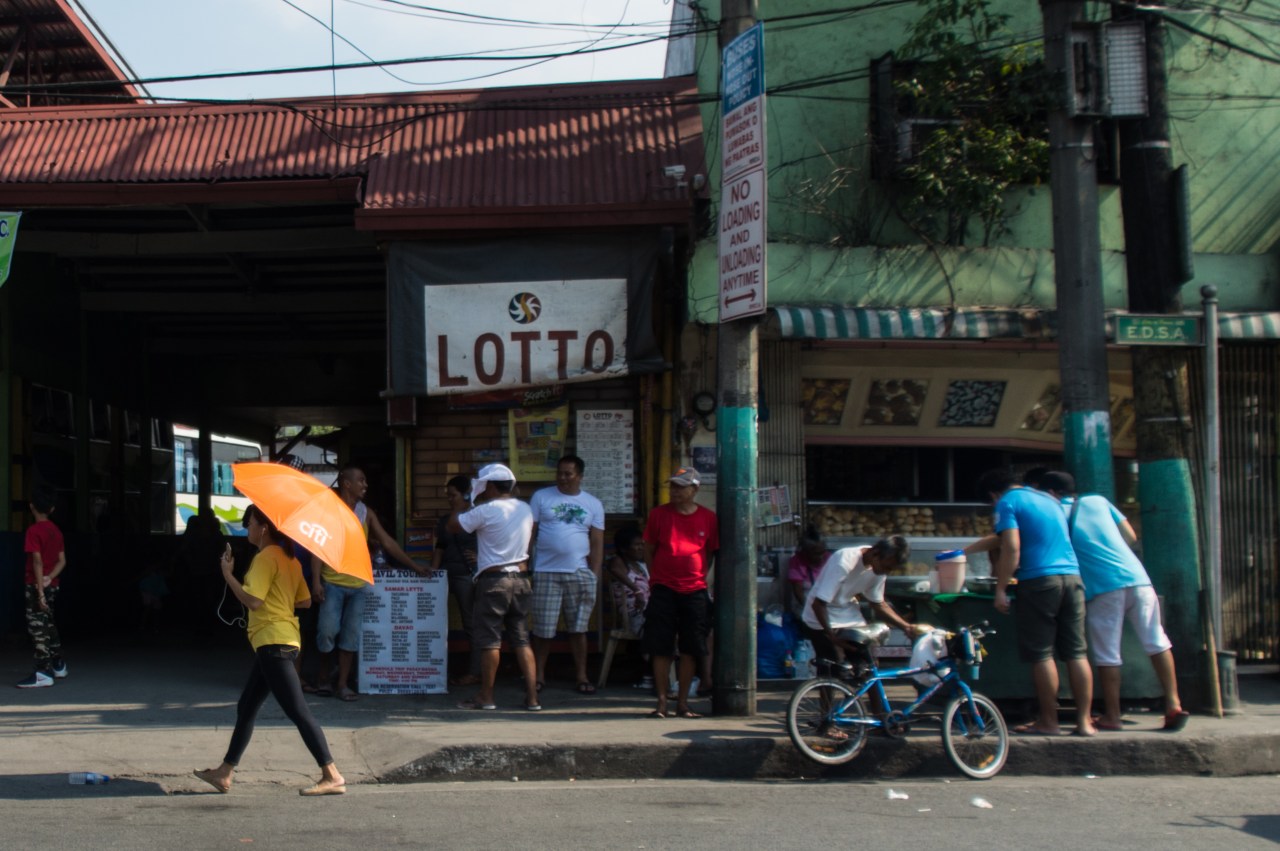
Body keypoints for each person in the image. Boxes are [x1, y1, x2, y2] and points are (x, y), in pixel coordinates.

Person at [194, 504, 345, 796]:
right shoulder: (290, 559)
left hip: (273, 643)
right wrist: (279, 596)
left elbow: (253, 601)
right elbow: (304, 601)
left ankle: (332, 774)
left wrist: (228, 574)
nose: (247, 528)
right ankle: (225, 772)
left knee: (298, 710)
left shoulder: (265, 558)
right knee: (247, 706)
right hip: (281, 641)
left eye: (250, 523)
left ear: (263, 528)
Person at [1039, 471, 1189, 732]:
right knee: (1157, 640)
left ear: (1051, 493)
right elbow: (1130, 536)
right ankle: (1173, 703)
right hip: (1138, 579)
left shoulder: (1055, 513)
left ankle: (1113, 715)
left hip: (1103, 587)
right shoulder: (1098, 501)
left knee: (1107, 652)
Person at [975, 467, 1096, 737]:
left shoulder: (1007, 502)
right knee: (1077, 653)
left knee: (1042, 654)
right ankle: (1084, 722)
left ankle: (1049, 721)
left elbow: (1011, 547)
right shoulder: (1048, 499)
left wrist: (1001, 589)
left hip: (1039, 581)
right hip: (1072, 578)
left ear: (993, 495)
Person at [311, 464, 428, 702]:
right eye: (361, 480)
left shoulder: (366, 513)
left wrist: (414, 566)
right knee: (327, 633)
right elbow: (317, 547)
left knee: (350, 636)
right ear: (347, 484)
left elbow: (387, 542)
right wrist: (316, 582)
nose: (365, 485)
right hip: (332, 583)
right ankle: (323, 678)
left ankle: (342, 685)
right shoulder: (329, 511)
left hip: (359, 586)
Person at [448, 463, 541, 711]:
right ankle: (533, 698)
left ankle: (486, 697)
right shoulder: (525, 509)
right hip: (521, 580)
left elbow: (453, 526)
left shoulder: (485, 511)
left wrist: (461, 504)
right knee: (522, 640)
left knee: (490, 641)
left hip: (493, 581)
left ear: (490, 485)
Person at [642, 467, 718, 719]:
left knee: (691, 647)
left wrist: (699, 575)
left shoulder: (708, 518)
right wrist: (655, 578)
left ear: (694, 489)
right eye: (673, 486)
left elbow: (709, 553)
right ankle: (662, 702)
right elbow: (649, 549)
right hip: (663, 588)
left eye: (681, 487)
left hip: (695, 590)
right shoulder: (659, 514)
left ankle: (683, 703)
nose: (675, 491)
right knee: (660, 646)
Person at [529, 455, 605, 694]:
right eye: (559, 473)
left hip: (579, 573)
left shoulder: (593, 503)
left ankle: (582, 676)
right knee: (542, 630)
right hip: (545, 572)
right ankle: (538, 676)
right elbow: (530, 534)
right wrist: (527, 566)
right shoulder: (541, 497)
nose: (562, 478)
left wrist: (594, 574)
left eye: (568, 474)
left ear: (580, 476)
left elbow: (597, 542)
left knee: (578, 630)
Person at [800, 536, 920, 672]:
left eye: (890, 570)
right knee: (834, 667)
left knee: (867, 667)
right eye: (886, 567)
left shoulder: (879, 569)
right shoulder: (845, 560)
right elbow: (818, 604)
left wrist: (906, 627)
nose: (886, 572)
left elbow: (878, 604)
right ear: (875, 553)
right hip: (821, 616)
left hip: (848, 614)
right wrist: (832, 637)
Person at [16, 486, 68, 689]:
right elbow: (62, 561)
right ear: (52, 509)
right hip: (51, 584)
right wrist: (49, 578)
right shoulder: (56, 531)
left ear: (31, 507)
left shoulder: (34, 531)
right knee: (49, 624)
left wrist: (39, 591)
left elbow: (36, 562)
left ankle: (43, 672)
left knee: (37, 628)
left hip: (35, 585)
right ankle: (58, 664)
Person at [433, 475, 481, 687]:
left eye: (453, 495)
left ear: (466, 495)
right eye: (448, 495)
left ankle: (475, 671)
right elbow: (440, 547)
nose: (449, 499)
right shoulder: (446, 520)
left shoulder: (477, 517)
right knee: (435, 622)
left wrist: (481, 558)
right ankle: (436, 670)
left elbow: (491, 542)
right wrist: (433, 572)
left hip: (465, 576)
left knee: (470, 623)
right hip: (445, 575)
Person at [787, 526, 831, 613]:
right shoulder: (797, 562)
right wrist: (812, 611)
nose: (821, 557)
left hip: (827, 605)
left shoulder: (829, 558)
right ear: (805, 552)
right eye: (816, 554)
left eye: (823, 552)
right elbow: (798, 592)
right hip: (805, 607)